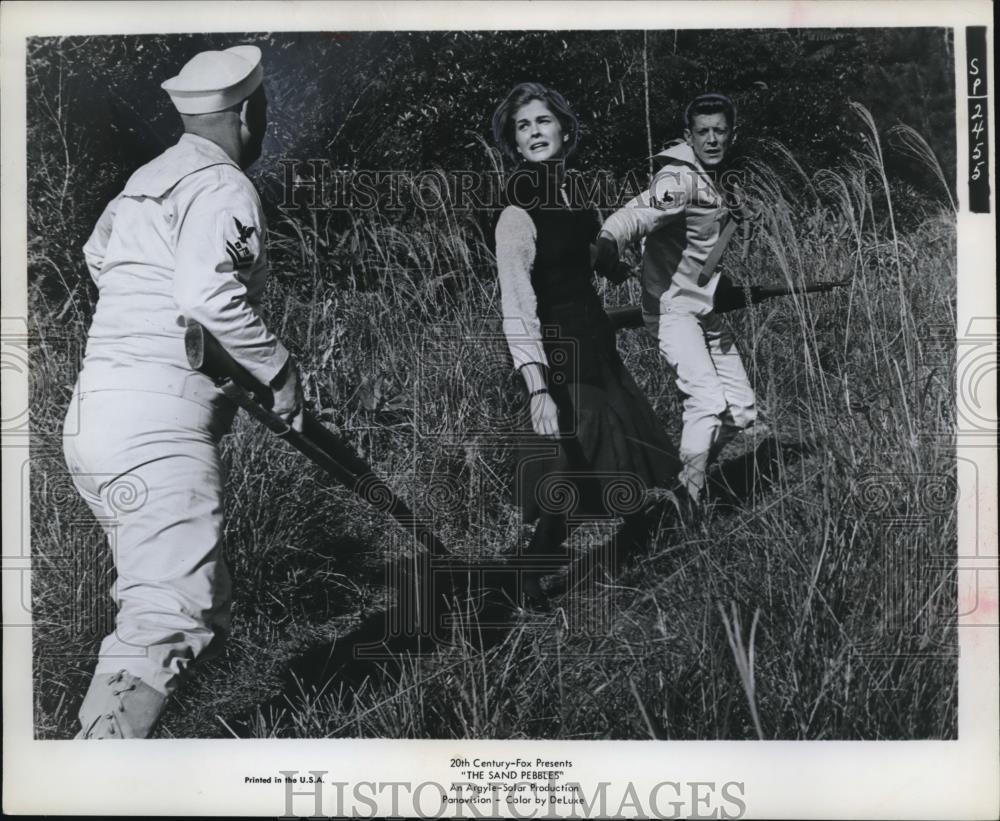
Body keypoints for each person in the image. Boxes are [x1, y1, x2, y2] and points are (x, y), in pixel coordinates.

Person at [62, 45, 303, 739]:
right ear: (249, 113)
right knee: (170, 617)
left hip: (94, 420)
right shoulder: (224, 184)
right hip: (157, 429)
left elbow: (97, 254)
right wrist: (279, 372)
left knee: (181, 600)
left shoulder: (146, 178)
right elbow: (205, 293)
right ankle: (93, 772)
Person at [491, 82, 679, 603]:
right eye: (522, 126)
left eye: (542, 121)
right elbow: (517, 304)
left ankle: (638, 541)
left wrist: (616, 266)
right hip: (559, 358)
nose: (533, 132)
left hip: (596, 344)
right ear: (514, 141)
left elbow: (584, 249)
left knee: (616, 448)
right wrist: (536, 387)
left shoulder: (572, 194)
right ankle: (530, 580)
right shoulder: (516, 214)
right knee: (576, 462)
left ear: (564, 129)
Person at [593, 93, 764, 517]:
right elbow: (639, 213)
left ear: (732, 134)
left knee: (741, 411)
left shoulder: (718, 179)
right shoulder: (679, 178)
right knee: (706, 400)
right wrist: (609, 241)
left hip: (703, 309)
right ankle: (686, 503)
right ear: (688, 136)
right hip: (672, 312)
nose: (711, 139)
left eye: (719, 131)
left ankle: (688, 474)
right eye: (702, 132)